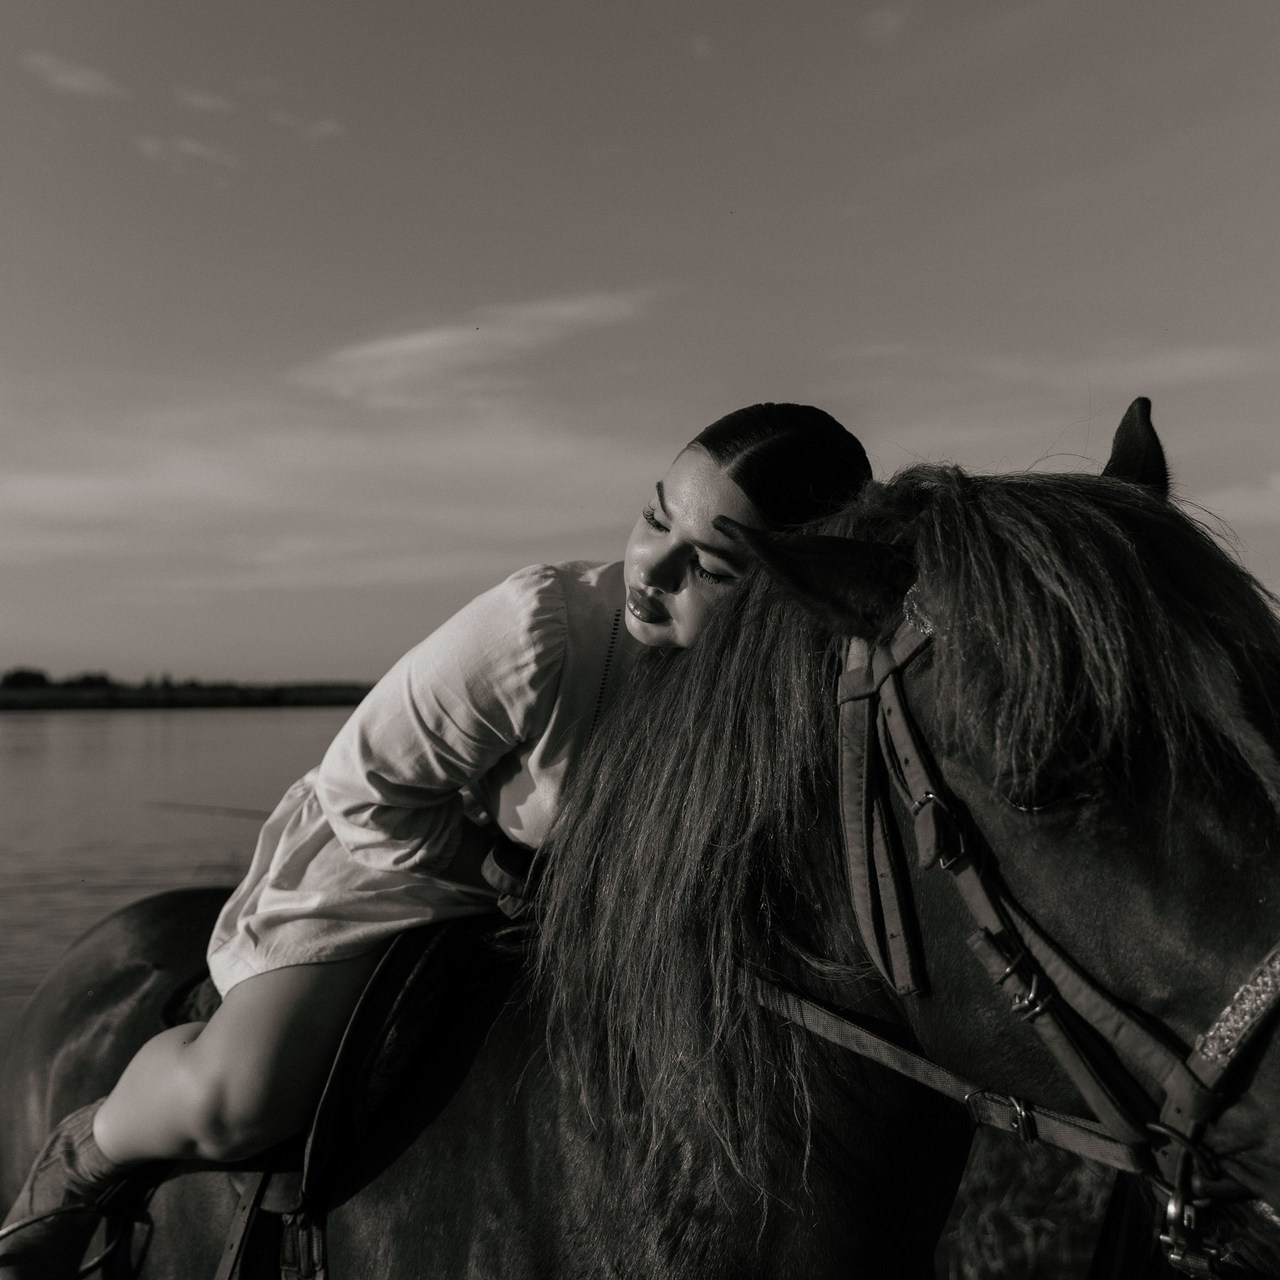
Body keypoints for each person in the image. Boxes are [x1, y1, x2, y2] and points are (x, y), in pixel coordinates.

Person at [0, 403, 872, 1279]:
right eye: (654, 516)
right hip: (406, 860)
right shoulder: (543, 631)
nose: (652, 567)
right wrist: (505, 877)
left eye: (711, 567)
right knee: (243, 1098)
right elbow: (359, 788)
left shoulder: (789, 699)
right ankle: (86, 1158)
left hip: (589, 913)